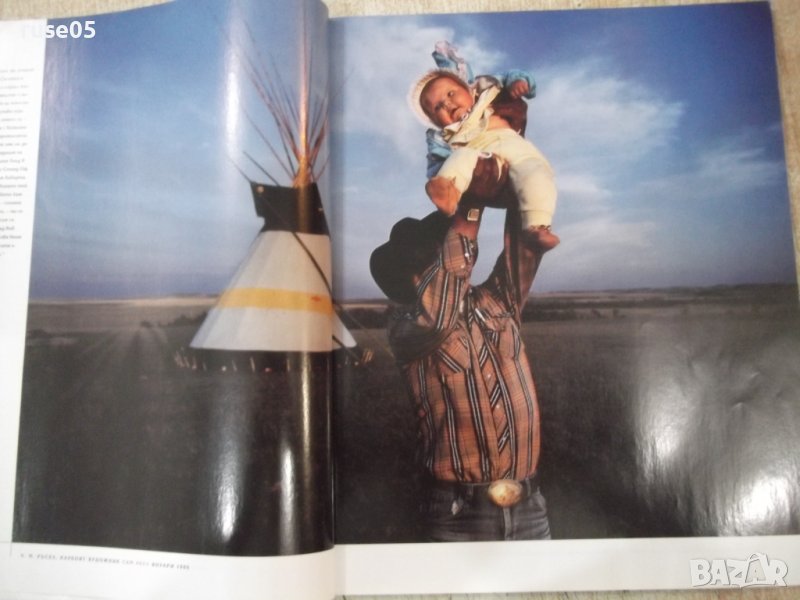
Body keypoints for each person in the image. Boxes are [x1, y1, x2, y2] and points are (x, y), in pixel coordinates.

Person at [369, 159, 551, 541]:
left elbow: (521, 252)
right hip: (457, 514)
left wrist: (515, 184)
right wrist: (471, 204)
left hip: (530, 507)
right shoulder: (407, 327)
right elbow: (442, 307)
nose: (454, 255)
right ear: (415, 277)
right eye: (438, 256)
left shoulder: (495, 301)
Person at [410, 41, 559, 251]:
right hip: (482, 159)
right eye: (437, 107)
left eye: (450, 94)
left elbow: (510, 76)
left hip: (518, 153)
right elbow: (436, 159)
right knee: (461, 157)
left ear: (467, 89)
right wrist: (439, 174)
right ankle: (447, 192)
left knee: (537, 172)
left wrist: (519, 82)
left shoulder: (488, 94)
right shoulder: (446, 135)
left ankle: (537, 227)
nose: (447, 104)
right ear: (434, 121)